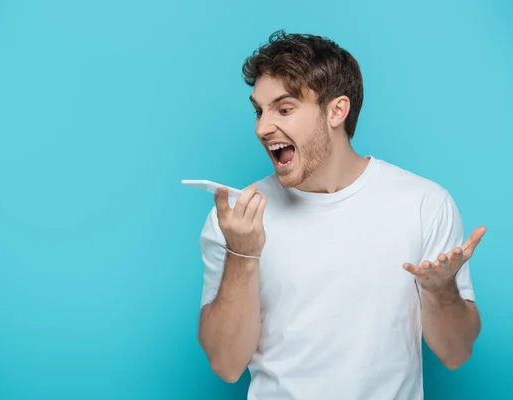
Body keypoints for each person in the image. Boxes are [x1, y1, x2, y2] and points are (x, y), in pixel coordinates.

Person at [197, 30, 486, 400]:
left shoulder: (424, 204)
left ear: (337, 110)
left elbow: (456, 353)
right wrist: (243, 253)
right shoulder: (238, 217)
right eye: (259, 110)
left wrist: (441, 291)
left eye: (283, 109)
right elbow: (225, 364)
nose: (261, 128)